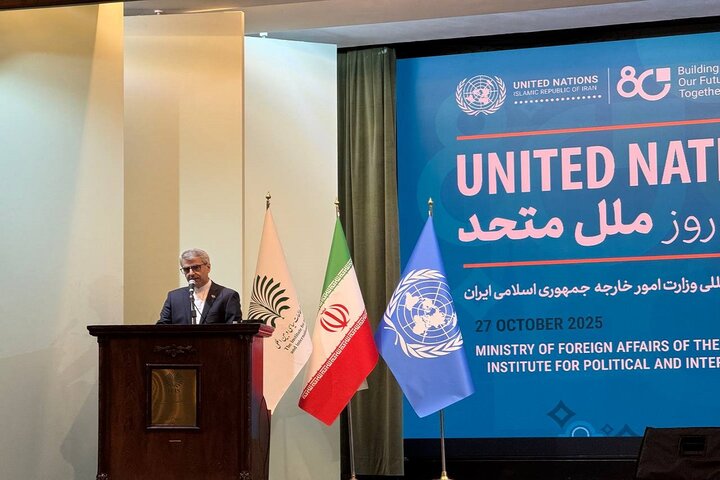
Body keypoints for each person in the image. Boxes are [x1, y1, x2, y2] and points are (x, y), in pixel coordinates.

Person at [157, 248, 242, 324]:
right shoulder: (174, 297)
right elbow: (161, 328)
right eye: (186, 269)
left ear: (208, 267)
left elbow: (235, 331)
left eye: (196, 267)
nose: (191, 273)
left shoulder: (227, 296)